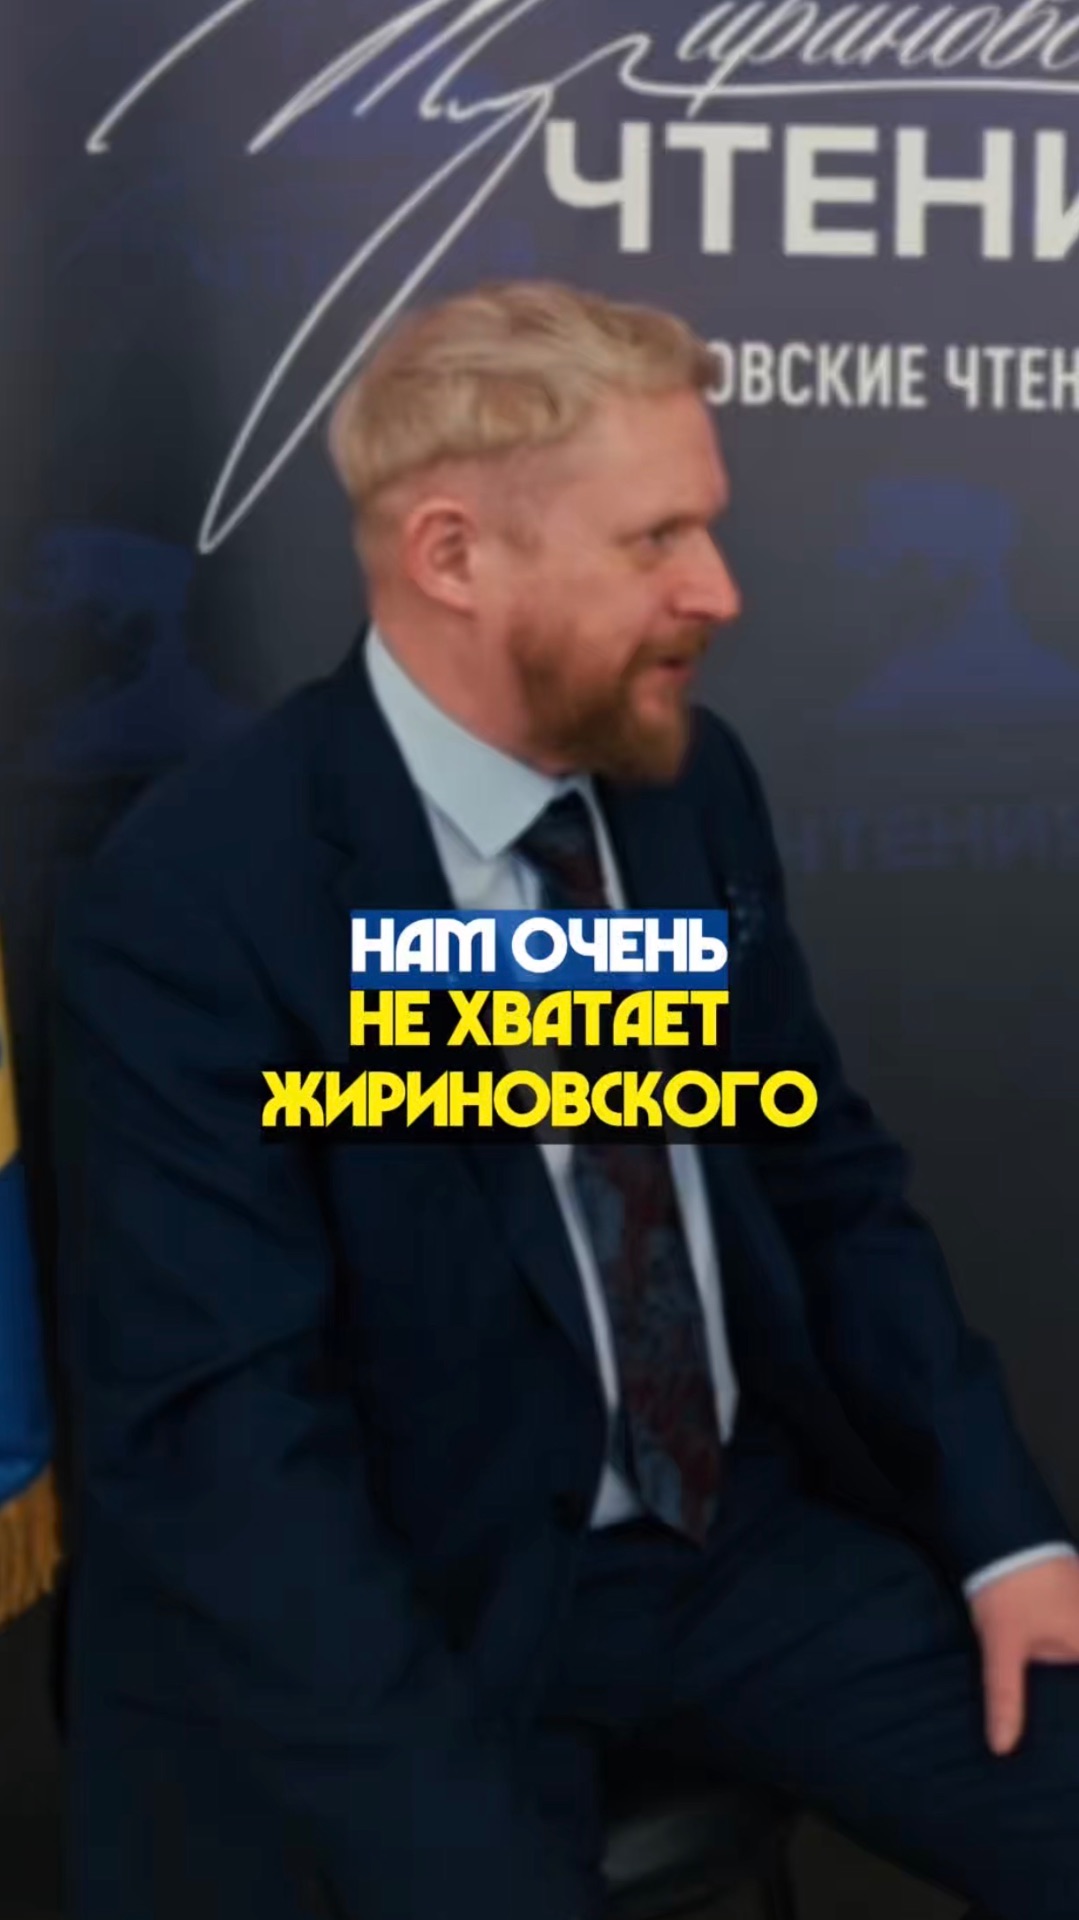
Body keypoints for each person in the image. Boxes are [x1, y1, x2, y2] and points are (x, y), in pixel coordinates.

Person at [51, 281, 1079, 1920]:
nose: (720, 589)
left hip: (734, 1548)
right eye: (657, 538)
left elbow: (825, 1184)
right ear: (454, 555)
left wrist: (1007, 1535)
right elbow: (232, 1455)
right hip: (419, 1602)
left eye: (708, 528)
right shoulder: (200, 896)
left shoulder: (683, 793)